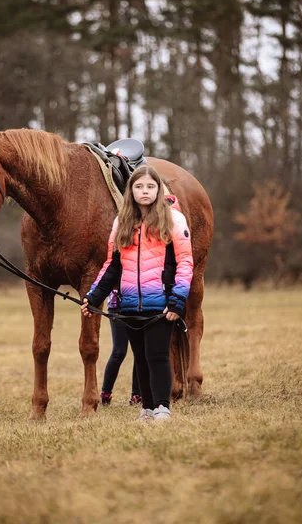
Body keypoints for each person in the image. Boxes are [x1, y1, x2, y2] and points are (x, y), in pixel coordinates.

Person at [81, 165, 194, 421]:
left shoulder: (174, 220)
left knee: (157, 356)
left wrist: (177, 301)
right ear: (131, 191)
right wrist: (94, 296)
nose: (145, 191)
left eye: (150, 186)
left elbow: (185, 262)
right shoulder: (122, 222)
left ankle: (162, 407)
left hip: (161, 304)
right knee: (140, 359)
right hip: (129, 304)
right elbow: (113, 264)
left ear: (158, 189)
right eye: (139, 186)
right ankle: (147, 408)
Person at [99, 327, 142, 406]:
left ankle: (137, 395)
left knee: (139, 351)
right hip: (119, 315)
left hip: (139, 314)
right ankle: (105, 393)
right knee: (119, 352)